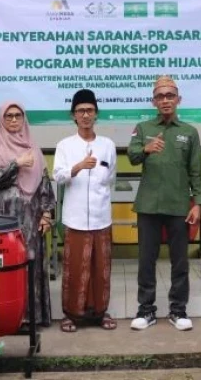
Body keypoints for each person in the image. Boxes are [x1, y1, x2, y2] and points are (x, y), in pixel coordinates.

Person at [127, 75, 201, 331]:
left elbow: (196, 172)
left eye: (170, 95)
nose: (165, 100)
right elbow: (132, 157)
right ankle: (145, 310)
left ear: (178, 99)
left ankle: (178, 310)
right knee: (146, 260)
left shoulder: (189, 133)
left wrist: (198, 203)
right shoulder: (143, 128)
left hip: (179, 206)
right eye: (160, 96)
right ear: (153, 101)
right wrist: (146, 148)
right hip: (148, 205)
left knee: (180, 261)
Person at [0, 101, 55, 327]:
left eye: (18, 116)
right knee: (5, 263)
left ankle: (32, 315)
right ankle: (6, 314)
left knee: (30, 261)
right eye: (8, 116)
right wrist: (16, 163)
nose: (13, 120)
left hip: (32, 216)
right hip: (4, 216)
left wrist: (47, 214)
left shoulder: (34, 148)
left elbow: (44, 183)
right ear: (1, 120)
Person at [53, 89, 118, 332]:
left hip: (102, 217)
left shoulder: (107, 145)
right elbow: (57, 176)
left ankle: (100, 312)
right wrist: (78, 167)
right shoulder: (65, 146)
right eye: (81, 111)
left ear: (96, 114)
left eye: (90, 110)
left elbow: (110, 176)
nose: (85, 115)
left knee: (101, 268)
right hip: (75, 217)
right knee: (74, 268)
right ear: (73, 116)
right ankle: (71, 314)